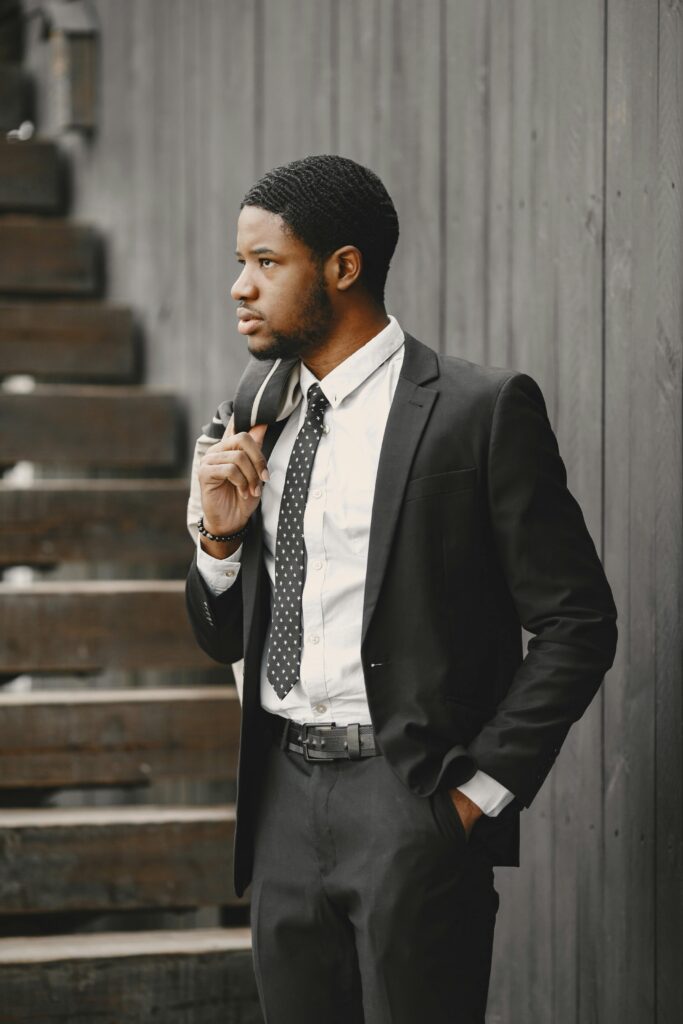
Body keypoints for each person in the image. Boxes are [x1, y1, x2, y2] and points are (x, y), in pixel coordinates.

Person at [185, 154, 618, 1024]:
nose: (240, 287)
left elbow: (578, 621)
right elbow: (222, 635)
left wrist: (475, 795)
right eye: (240, 263)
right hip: (280, 799)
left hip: (409, 799)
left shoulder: (477, 409)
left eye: (266, 263)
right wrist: (219, 542)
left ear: (343, 268)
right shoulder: (255, 407)